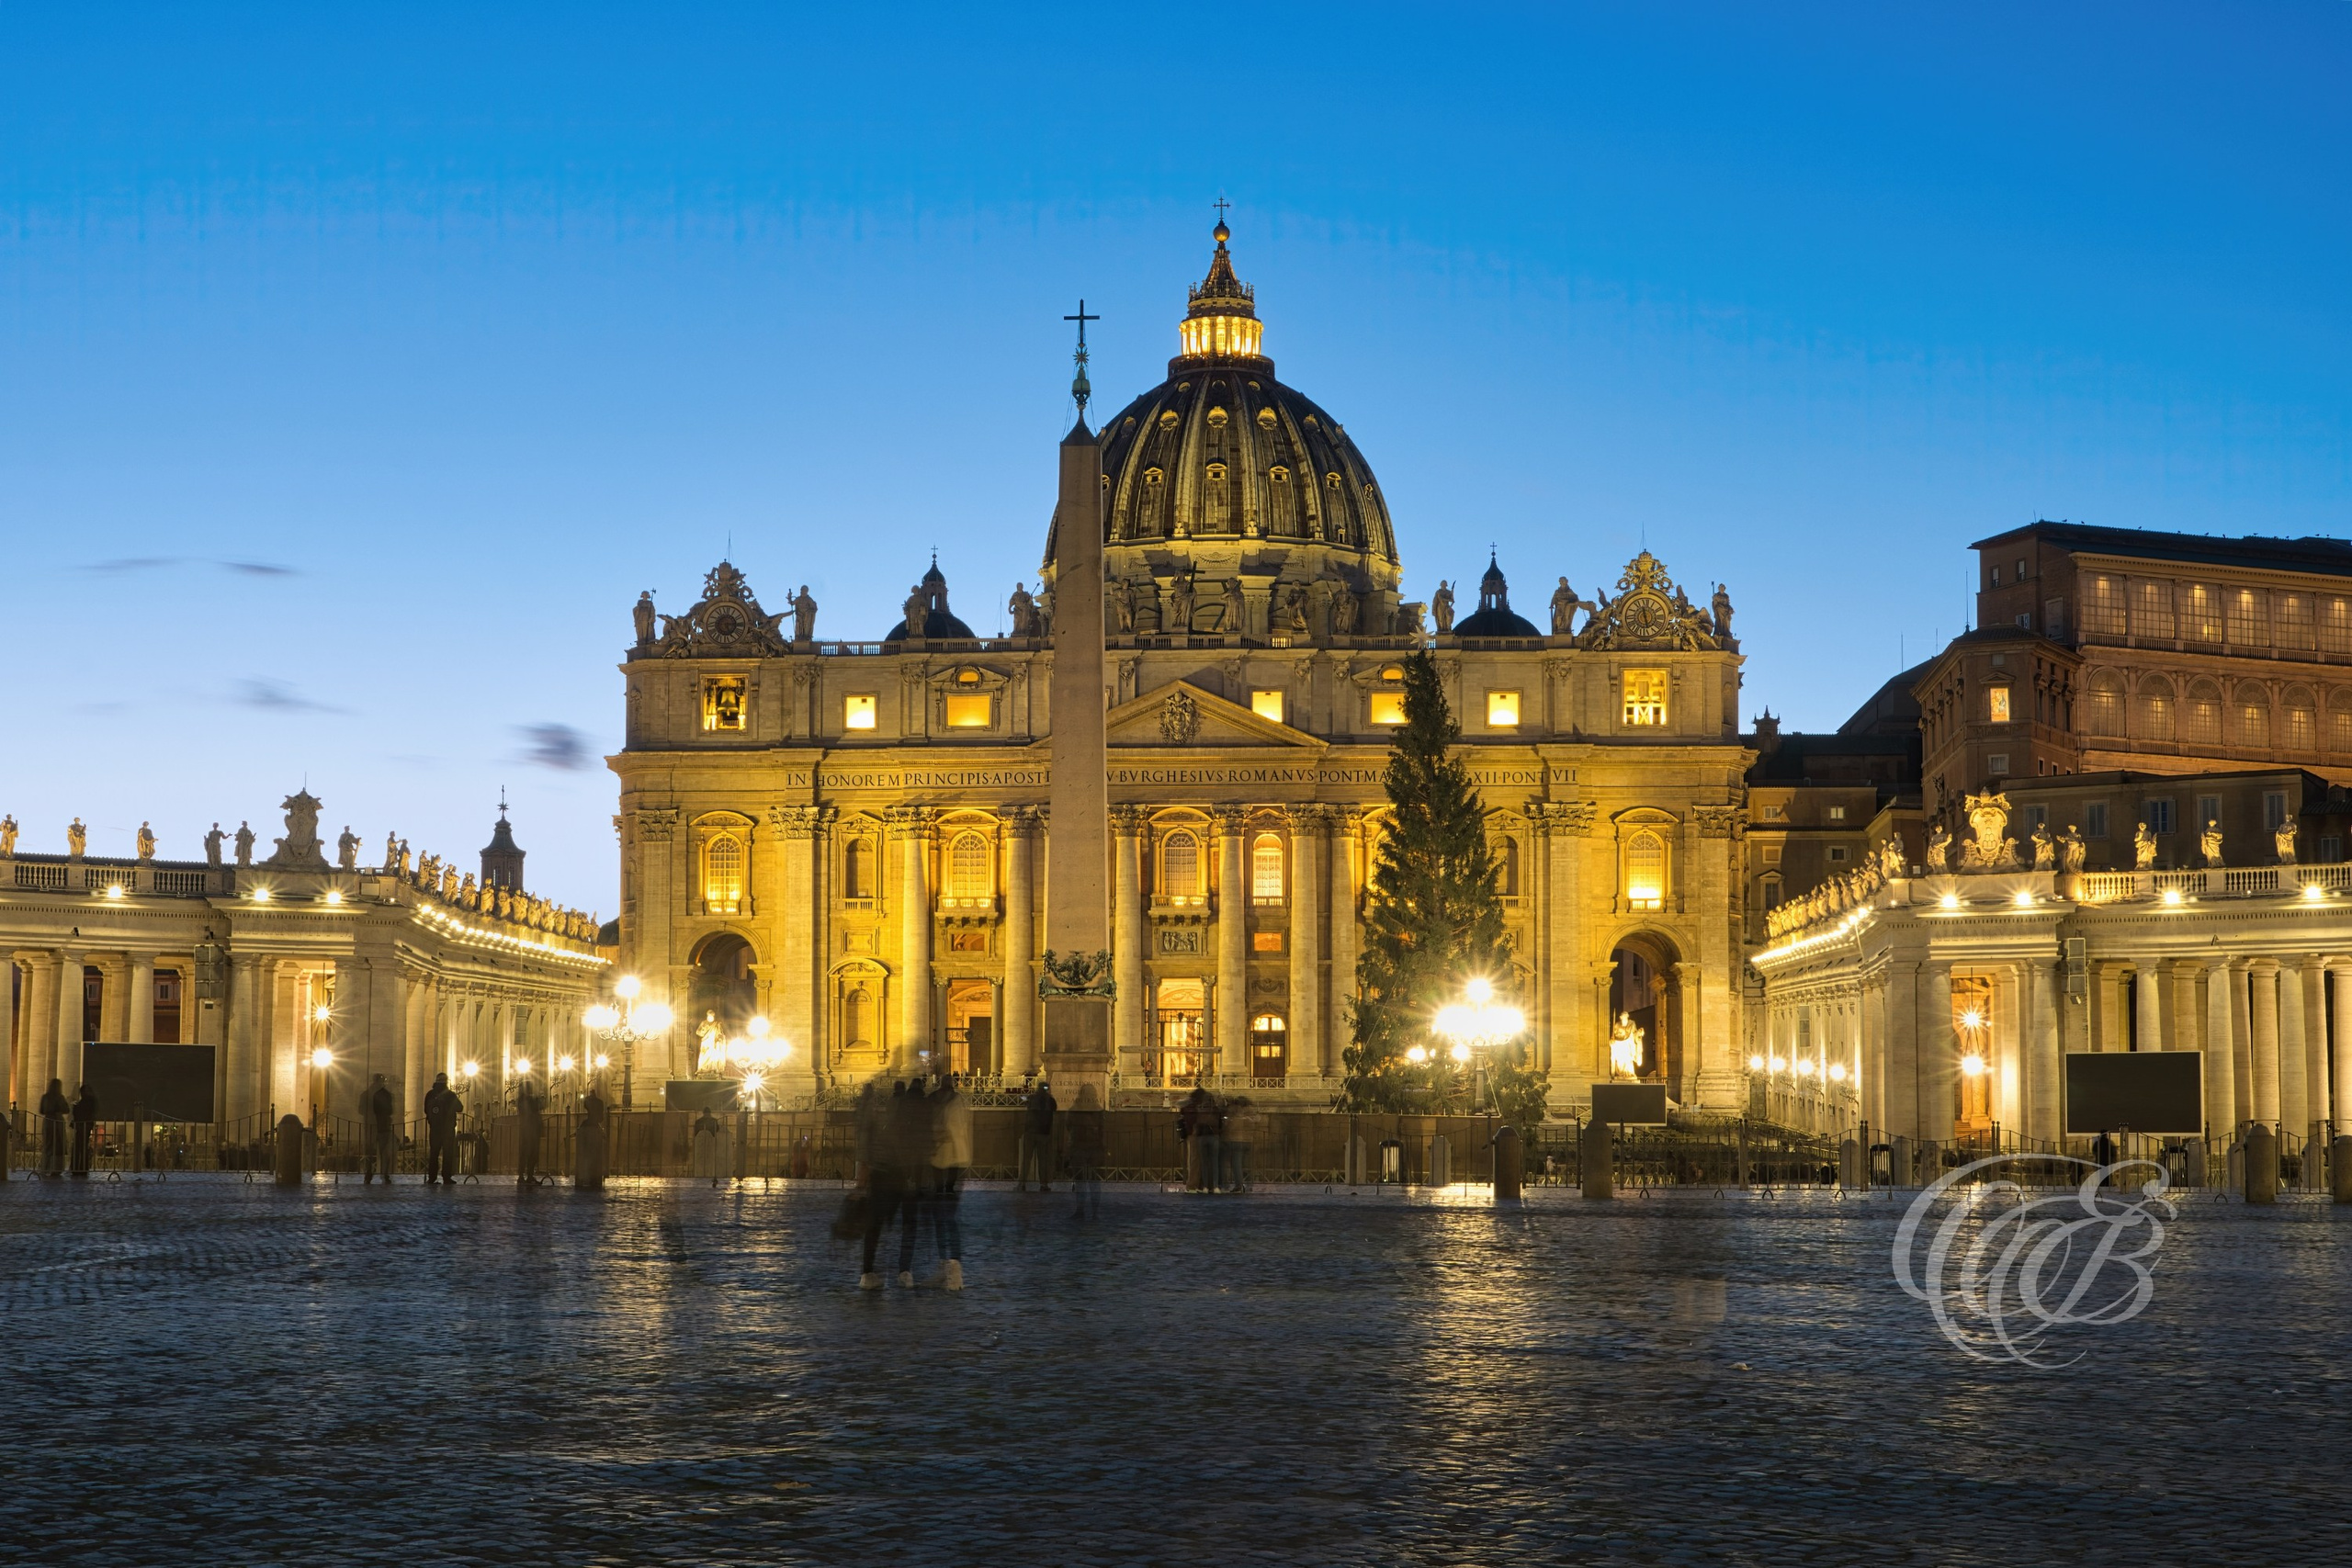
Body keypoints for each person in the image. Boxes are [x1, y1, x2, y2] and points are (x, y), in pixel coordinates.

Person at [860, 1083, 925, 1289]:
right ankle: (904, 1271)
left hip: (881, 1178)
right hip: (901, 1180)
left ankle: (868, 1272)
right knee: (907, 1227)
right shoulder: (910, 1130)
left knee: (875, 1227)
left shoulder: (882, 1126)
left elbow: (870, 1153)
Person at [928, 1076, 971, 1292]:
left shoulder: (935, 1100)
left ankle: (946, 1262)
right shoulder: (957, 1100)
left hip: (940, 1147)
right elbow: (961, 1124)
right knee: (951, 1217)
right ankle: (952, 1263)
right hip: (951, 1149)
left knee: (941, 1217)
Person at [1067, 1083, 1106, 1220]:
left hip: (1078, 1147)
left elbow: (1068, 1126)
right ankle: (1095, 1212)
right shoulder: (1098, 1111)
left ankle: (1080, 1210)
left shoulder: (1074, 1109)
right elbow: (1103, 1131)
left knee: (1080, 1182)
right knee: (1094, 1182)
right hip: (1095, 1148)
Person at [1180, 1084, 1222, 1192]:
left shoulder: (1190, 1106)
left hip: (1196, 1134)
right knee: (1203, 1161)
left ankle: (1197, 1185)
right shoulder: (1209, 1108)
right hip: (1202, 1134)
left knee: (1196, 1160)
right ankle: (1202, 1185)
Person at [1019, 1078, 1057, 1191]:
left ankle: (1022, 1183)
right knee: (1043, 1161)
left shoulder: (1031, 1098)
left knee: (1026, 1160)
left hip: (1030, 1132)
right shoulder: (1050, 1100)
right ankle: (1043, 1184)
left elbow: (1021, 1098)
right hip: (1044, 1134)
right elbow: (1054, 1110)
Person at [423, 1071, 460, 1185]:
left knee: (434, 1154)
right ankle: (446, 1177)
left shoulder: (430, 1094)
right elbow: (460, 1108)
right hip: (448, 1129)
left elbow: (426, 1110)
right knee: (448, 1154)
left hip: (434, 1129)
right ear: (446, 1082)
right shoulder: (450, 1095)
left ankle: (432, 1177)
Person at [363, 1073, 398, 1185]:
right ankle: (384, 1174)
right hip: (382, 1126)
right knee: (383, 1153)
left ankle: (369, 1174)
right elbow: (391, 1110)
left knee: (371, 1153)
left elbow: (360, 1109)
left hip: (372, 1126)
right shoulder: (386, 1094)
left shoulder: (366, 1094)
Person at [576, 1086, 610, 1190]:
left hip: (590, 1136)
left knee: (589, 1157)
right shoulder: (599, 1103)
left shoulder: (585, 1123)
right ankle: (593, 1177)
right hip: (593, 1136)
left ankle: (587, 1177)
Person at [515, 1077, 545, 1187]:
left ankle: (526, 1176)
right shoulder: (528, 1100)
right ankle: (526, 1176)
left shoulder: (522, 1100)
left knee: (528, 1154)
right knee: (529, 1153)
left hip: (527, 1130)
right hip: (530, 1130)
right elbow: (541, 1106)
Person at [38, 1077, 69, 1178]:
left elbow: (41, 1110)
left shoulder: (45, 1097)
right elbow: (66, 1109)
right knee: (58, 1146)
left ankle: (45, 1167)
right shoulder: (60, 1097)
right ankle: (56, 1169)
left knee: (48, 1146)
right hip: (57, 1122)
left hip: (48, 1122)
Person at [691, 1105, 728, 1187]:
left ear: (703, 1113)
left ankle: (700, 1174)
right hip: (711, 1142)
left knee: (700, 1160)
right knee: (710, 1159)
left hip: (700, 1143)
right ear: (710, 1113)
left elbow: (695, 1133)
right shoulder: (714, 1121)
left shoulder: (698, 1121)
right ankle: (710, 1173)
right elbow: (717, 1130)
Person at [70, 1084, 99, 1178]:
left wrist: (75, 1106)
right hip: (85, 1126)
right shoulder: (92, 1101)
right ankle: (82, 1168)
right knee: (82, 1148)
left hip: (82, 1126)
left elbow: (79, 1112)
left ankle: (77, 1168)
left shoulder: (87, 1102)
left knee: (79, 1147)